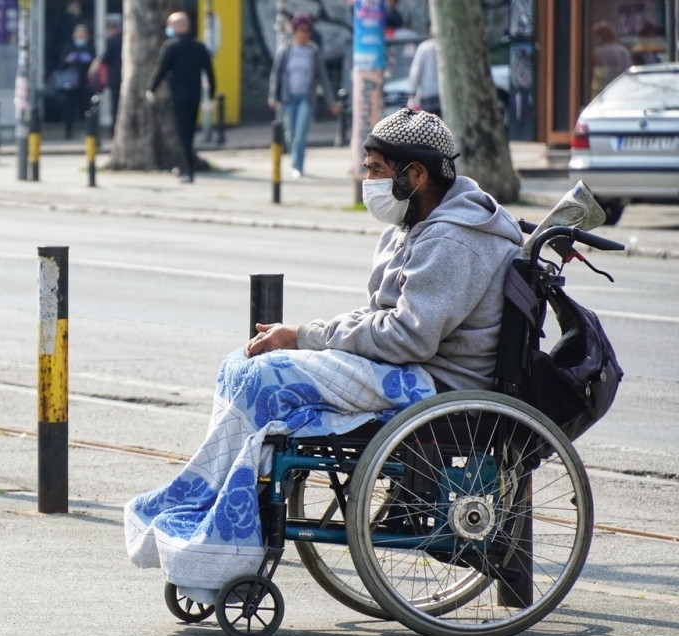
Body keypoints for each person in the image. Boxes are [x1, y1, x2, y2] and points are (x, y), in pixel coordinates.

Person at [124, 109, 525, 598]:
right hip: (407, 367)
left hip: (434, 382)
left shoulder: (454, 240)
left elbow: (407, 336)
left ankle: (218, 541)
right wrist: (307, 335)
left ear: (415, 175)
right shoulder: (417, 226)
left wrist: (303, 336)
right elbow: (381, 316)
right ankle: (207, 515)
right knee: (243, 365)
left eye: (376, 168)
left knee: (264, 381)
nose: (366, 178)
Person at [268, 12, 341, 179]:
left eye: (308, 30)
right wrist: (273, 96)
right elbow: (276, 74)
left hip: (306, 98)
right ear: (295, 31)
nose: (305, 33)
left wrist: (331, 102)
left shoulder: (313, 51)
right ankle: (294, 161)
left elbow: (323, 78)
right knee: (290, 134)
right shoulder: (285, 50)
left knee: (300, 133)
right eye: (302, 30)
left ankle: (297, 166)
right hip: (288, 98)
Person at [147, 12, 216, 183]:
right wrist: (212, 94)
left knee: (182, 133)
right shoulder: (199, 47)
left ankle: (187, 170)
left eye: (171, 25)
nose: (168, 28)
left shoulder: (171, 46)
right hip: (194, 95)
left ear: (179, 26)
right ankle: (184, 166)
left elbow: (161, 70)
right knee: (189, 132)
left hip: (178, 95)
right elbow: (210, 72)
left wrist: (151, 89)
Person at [56, 23, 95, 139]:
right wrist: (68, 60)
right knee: (69, 108)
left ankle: (88, 131)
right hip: (70, 84)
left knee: (86, 107)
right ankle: (68, 131)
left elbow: (94, 61)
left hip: (85, 83)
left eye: (83, 33)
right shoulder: (68, 47)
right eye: (78, 33)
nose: (80, 35)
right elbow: (61, 64)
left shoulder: (90, 47)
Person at [591, 21, 633, 97]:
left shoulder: (597, 52)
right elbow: (628, 71)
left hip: (600, 91)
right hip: (618, 89)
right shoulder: (621, 50)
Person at [97, 14, 123, 137]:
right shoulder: (124, 39)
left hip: (115, 78)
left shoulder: (113, 41)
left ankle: (114, 130)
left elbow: (105, 58)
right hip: (123, 78)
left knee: (115, 106)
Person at [407, 31, 441, 117]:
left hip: (427, 93)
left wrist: (412, 93)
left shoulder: (424, 47)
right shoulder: (447, 47)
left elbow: (416, 71)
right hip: (443, 94)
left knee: (429, 123)